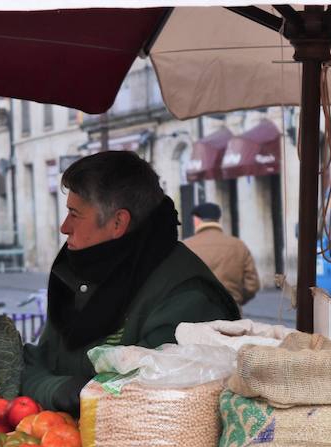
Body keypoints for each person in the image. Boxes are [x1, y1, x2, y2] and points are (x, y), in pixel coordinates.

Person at [21, 152, 240, 416]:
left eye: (74, 214)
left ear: (117, 222)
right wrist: (58, 390)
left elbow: (135, 396)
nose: (64, 227)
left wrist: (62, 390)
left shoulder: (187, 297)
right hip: (62, 439)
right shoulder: (81, 275)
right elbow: (37, 363)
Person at [183, 202, 260, 308]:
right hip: (230, 310)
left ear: (196, 220)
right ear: (218, 220)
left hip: (196, 311)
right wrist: (236, 299)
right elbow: (252, 285)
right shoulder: (238, 245)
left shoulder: (185, 246)